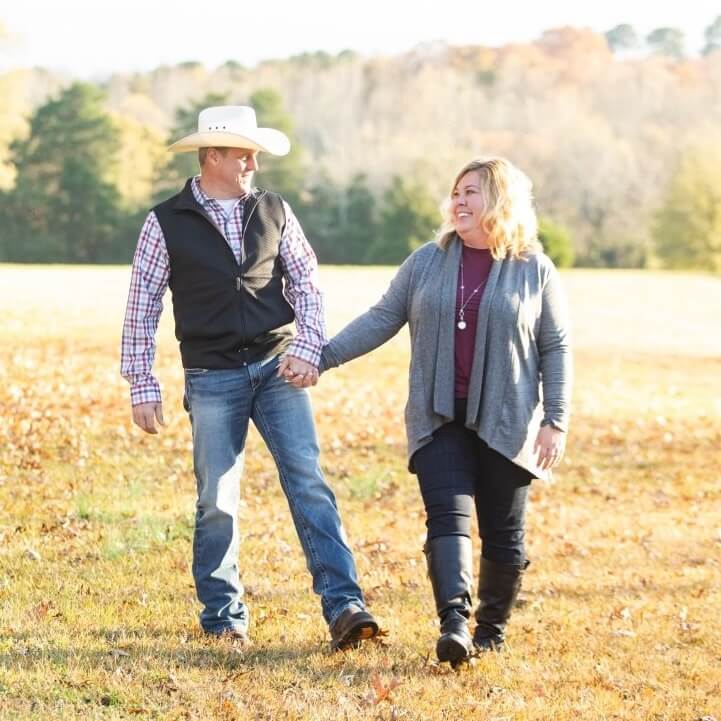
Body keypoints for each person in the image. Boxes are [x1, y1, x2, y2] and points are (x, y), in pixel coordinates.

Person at [290, 157, 572, 666]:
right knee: (447, 516)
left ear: (500, 200)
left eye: (472, 192)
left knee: (504, 534)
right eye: (456, 192)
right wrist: (322, 357)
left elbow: (555, 346)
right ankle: (454, 624)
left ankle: (490, 632)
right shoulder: (427, 260)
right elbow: (382, 318)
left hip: (508, 421)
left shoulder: (534, 268)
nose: (459, 202)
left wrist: (556, 419)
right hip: (438, 416)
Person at [120, 105, 378, 650]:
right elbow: (141, 306)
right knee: (217, 499)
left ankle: (345, 606)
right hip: (211, 374)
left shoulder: (275, 209)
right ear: (212, 156)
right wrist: (142, 382)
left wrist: (307, 347)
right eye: (243, 154)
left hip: (276, 366)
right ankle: (223, 619)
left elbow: (307, 284)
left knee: (309, 483)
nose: (253, 164)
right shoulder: (165, 221)